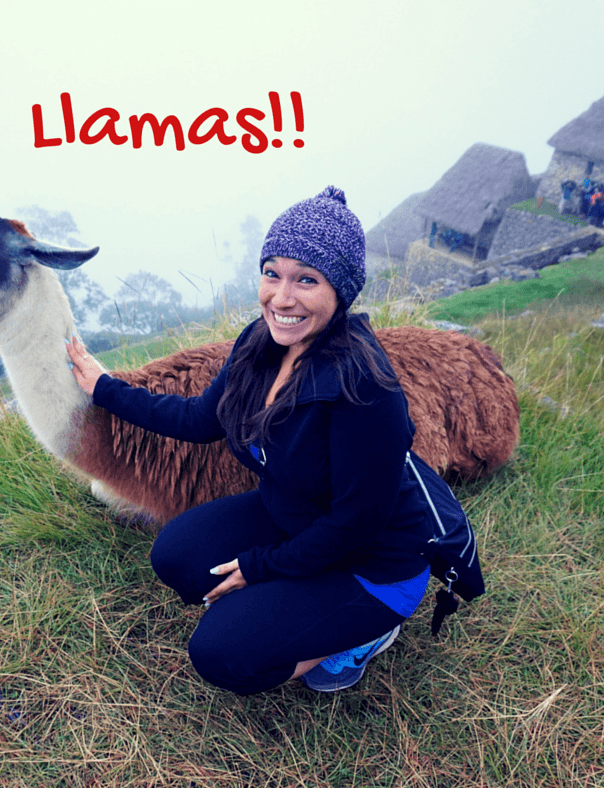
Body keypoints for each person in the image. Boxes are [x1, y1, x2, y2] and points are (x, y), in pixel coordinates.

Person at [66, 187, 433, 695]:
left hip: (374, 564)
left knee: (221, 654)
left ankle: (366, 634)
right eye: (272, 273)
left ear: (342, 291)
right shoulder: (259, 343)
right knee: (176, 556)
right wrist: (106, 390)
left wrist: (257, 568)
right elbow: (199, 419)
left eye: (307, 279)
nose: (282, 298)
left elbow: (354, 528)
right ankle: (289, 602)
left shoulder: (363, 391)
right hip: (294, 515)